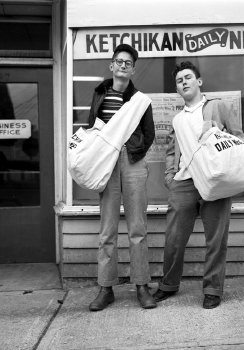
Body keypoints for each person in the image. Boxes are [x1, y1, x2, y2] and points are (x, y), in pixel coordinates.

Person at [153, 61, 244, 309]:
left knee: (216, 238)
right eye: (179, 80)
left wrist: (218, 134)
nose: (183, 82)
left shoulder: (219, 107)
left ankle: (213, 289)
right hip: (184, 182)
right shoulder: (177, 119)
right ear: (177, 89)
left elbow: (239, 139)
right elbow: (172, 152)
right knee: (174, 238)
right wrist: (170, 177)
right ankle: (168, 285)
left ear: (199, 81)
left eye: (188, 77)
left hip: (215, 180)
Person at [87, 44, 156, 311]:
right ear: (111, 65)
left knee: (137, 228)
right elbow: (92, 127)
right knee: (107, 230)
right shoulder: (99, 95)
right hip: (106, 163)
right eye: (119, 61)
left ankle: (141, 285)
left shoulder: (141, 101)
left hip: (132, 161)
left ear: (133, 68)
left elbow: (148, 134)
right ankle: (106, 288)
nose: (123, 65)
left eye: (128, 62)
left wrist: (133, 152)